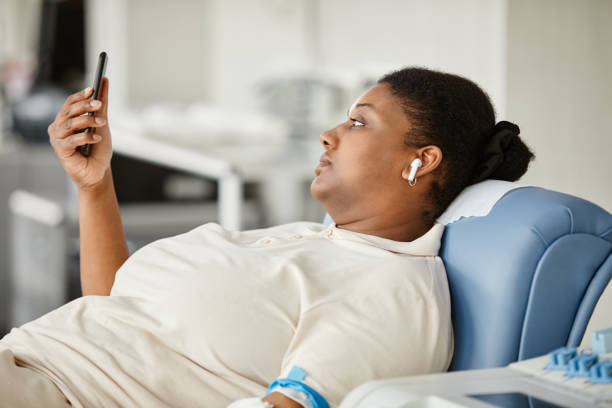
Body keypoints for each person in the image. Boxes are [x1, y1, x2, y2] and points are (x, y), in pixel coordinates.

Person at [0, 67, 534, 407]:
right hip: (27, 360)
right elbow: (116, 306)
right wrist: (94, 186)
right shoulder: (313, 239)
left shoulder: (391, 289)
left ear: (422, 160)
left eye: (359, 123)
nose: (329, 134)